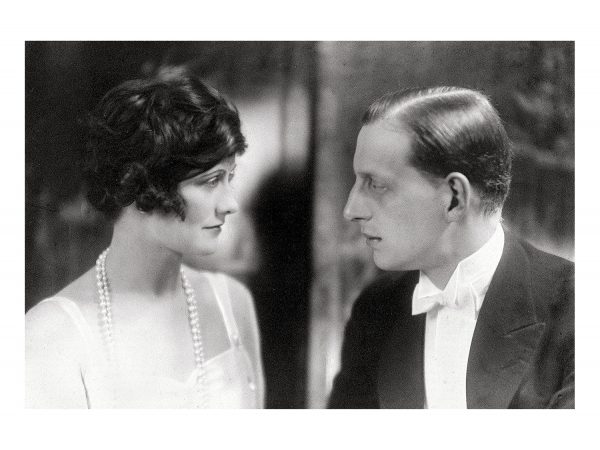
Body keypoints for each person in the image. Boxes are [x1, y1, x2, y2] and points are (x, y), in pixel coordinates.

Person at [25, 74, 265, 408]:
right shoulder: (50, 336)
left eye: (230, 178)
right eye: (211, 181)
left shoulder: (233, 305)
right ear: (135, 182)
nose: (230, 204)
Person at [329, 87, 574, 409]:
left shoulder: (576, 305)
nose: (351, 210)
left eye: (376, 184)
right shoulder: (375, 309)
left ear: (454, 198)